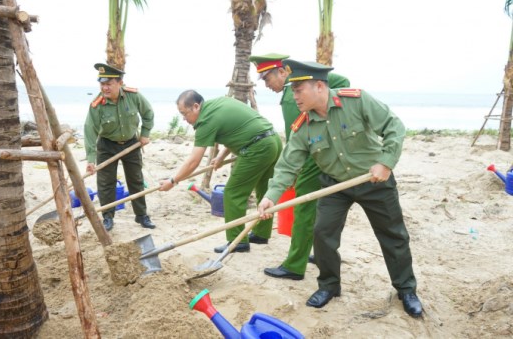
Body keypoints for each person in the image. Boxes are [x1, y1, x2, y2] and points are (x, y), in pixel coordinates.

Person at [257, 59, 422, 318]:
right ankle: (329, 286)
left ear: (320, 86)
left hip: (374, 180)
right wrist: (270, 197)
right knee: (323, 234)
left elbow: (394, 127)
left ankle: (406, 289)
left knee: (393, 236)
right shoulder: (303, 126)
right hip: (334, 185)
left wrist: (386, 162)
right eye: (293, 90)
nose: (294, 95)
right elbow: (288, 165)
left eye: (299, 90)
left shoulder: (356, 101)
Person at [248, 53, 350, 281]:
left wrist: (295, 171)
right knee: (321, 208)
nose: (266, 85)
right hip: (329, 154)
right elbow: (342, 82)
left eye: (267, 79)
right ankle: (318, 252)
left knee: (304, 209)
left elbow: (297, 141)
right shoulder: (300, 90)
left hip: (314, 158)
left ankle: (294, 266)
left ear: (283, 73)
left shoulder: (289, 98)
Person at [159, 90, 282, 253]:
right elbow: (235, 130)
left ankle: (237, 241)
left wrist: (173, 181)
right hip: (273, 141)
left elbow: (193, 161)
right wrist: (221, 156)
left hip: (257, 149)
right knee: (264, 189)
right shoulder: (216, 104)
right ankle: (261, 234)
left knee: (233, 193)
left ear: (196, 107)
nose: (184, 119)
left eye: (184, 113)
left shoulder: (205, 121)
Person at [84, 63, 156, 231]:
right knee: (105, 183)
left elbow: (148, 113)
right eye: (102, 84)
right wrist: (90, 159)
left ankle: (141, 215)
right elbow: (90, 131)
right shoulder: (97, 104)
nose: (105, 88)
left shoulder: (134, 96)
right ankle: (108, 217)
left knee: (136, 180)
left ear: (120, 83)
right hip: (107, 145)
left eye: (109, 84)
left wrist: (145, 134)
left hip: (131, 143)